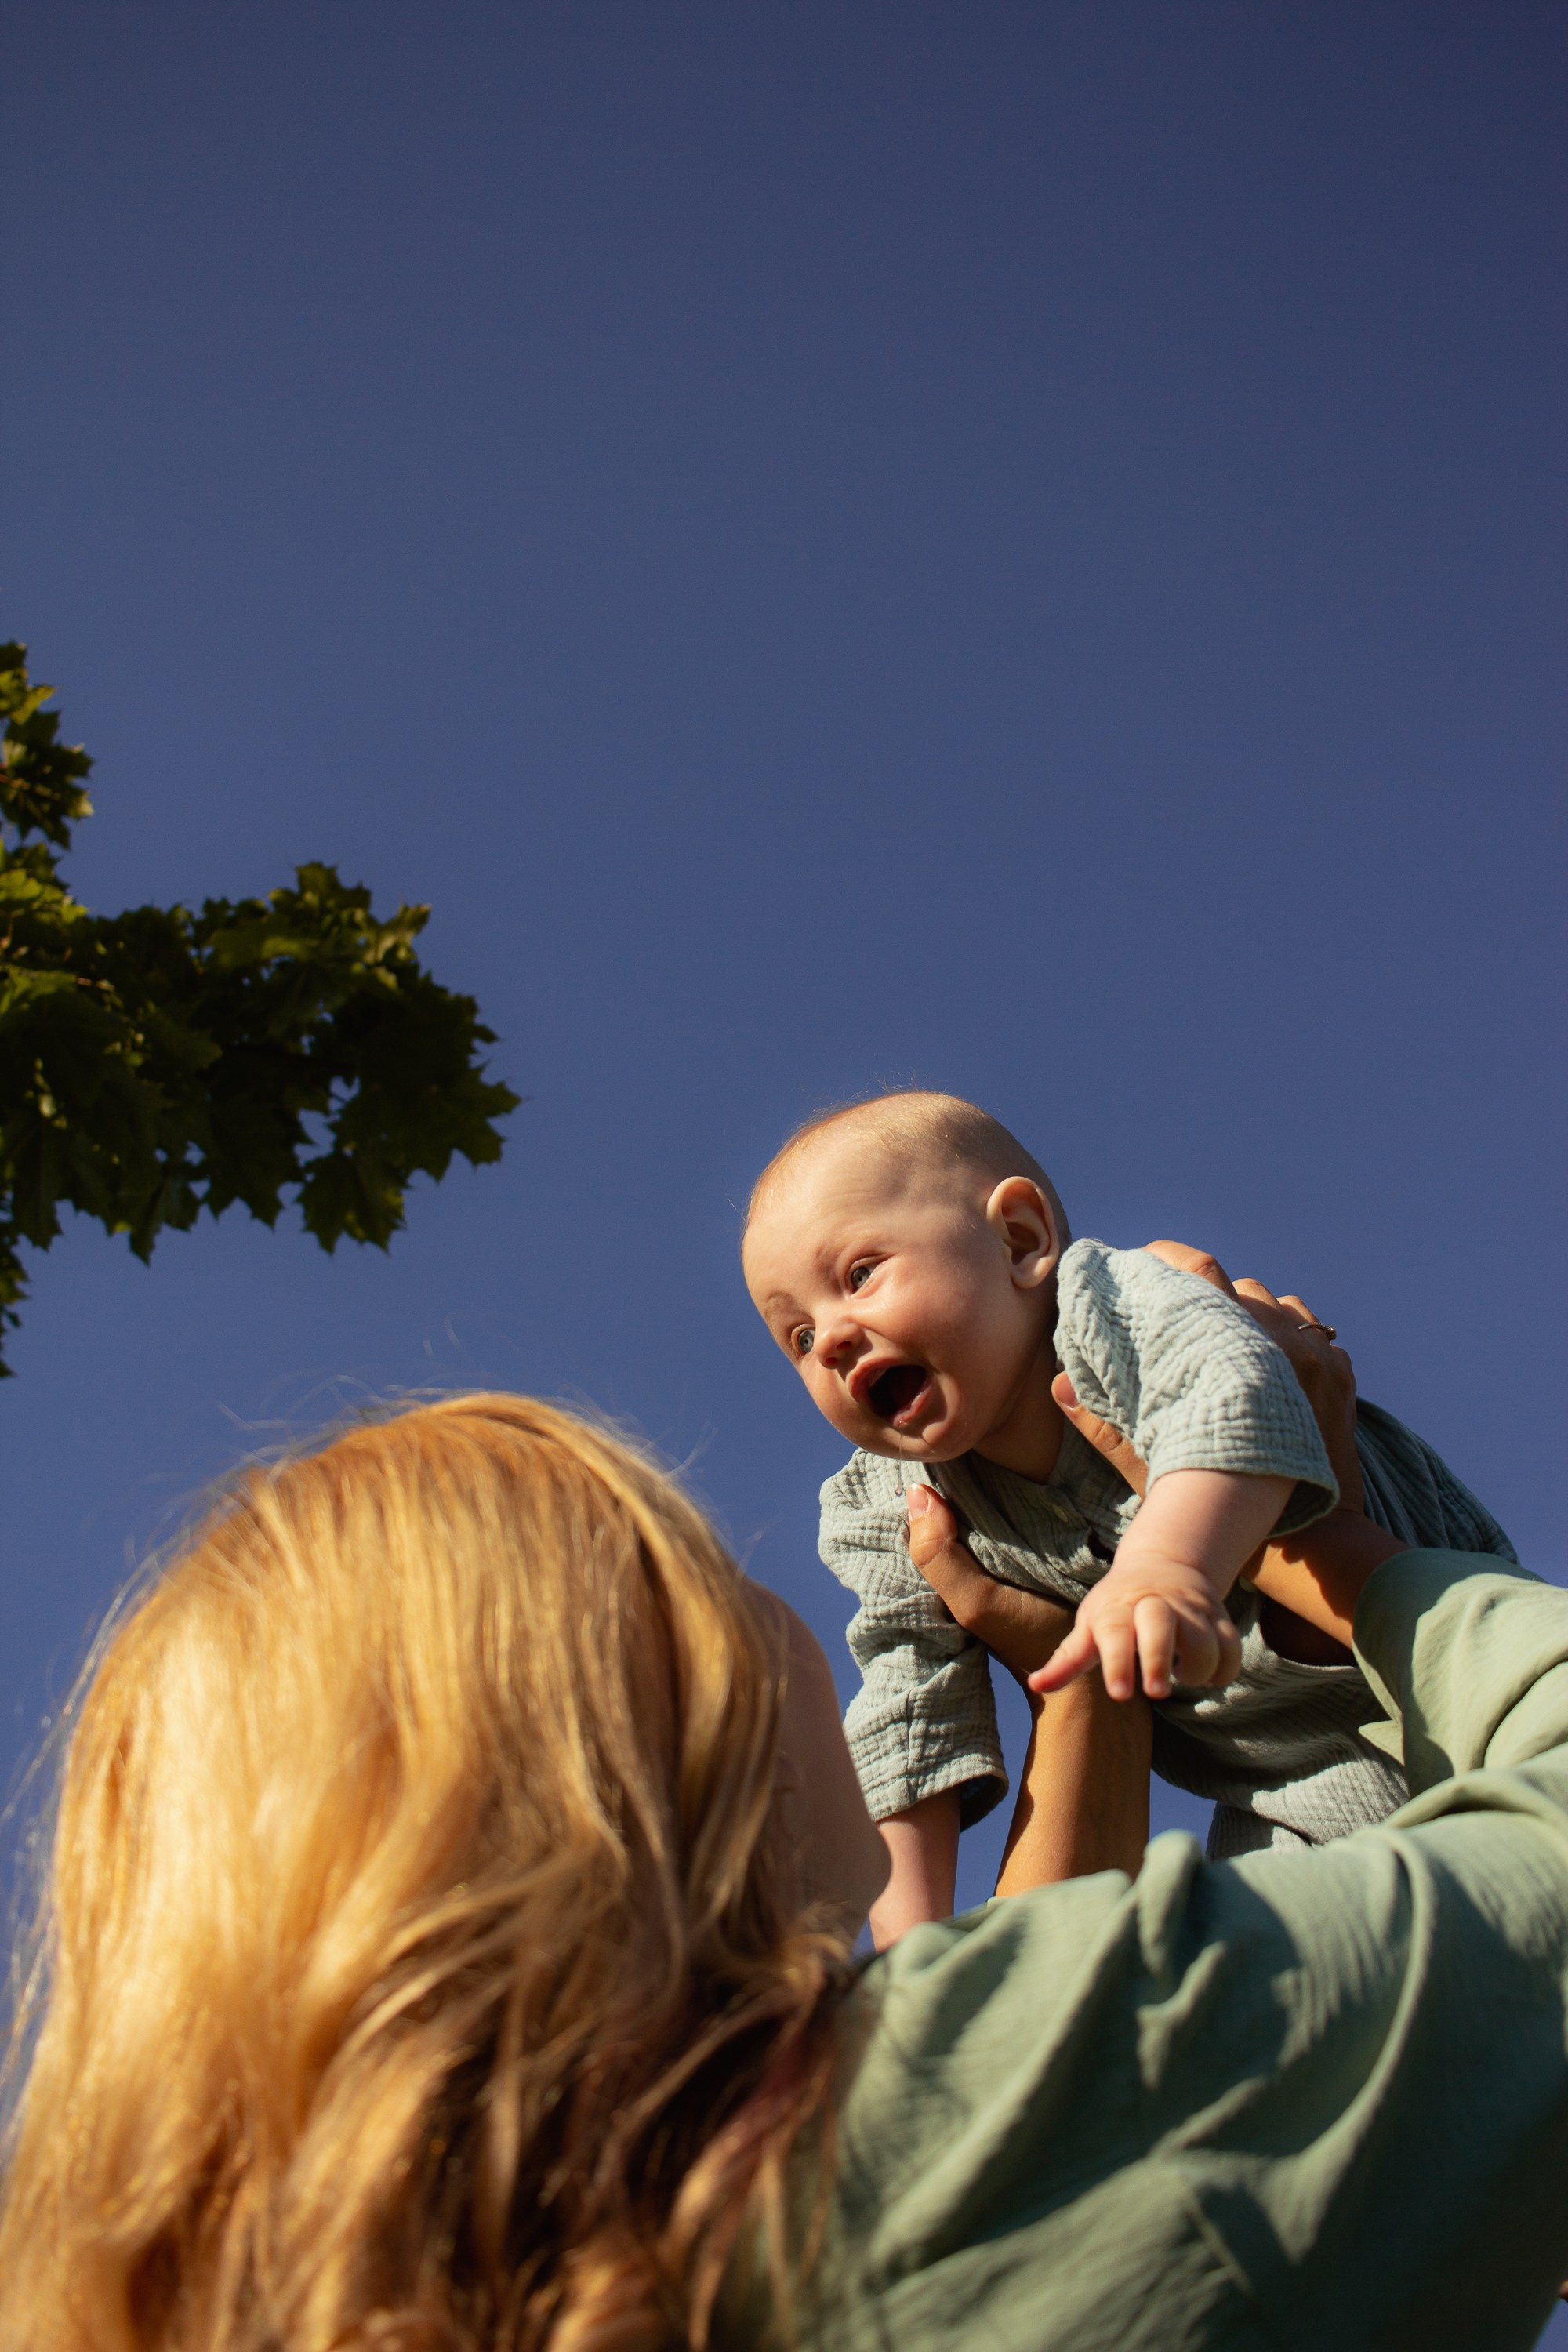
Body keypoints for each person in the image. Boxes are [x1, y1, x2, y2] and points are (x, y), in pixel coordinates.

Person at [5, 1312, 1568, 2351]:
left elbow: (1009, 2003)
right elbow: (1020, 2056)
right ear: (634, 1737)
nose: (783, 1609)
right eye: (711, 1575)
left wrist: (1082, 1674)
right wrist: (1326, 1541)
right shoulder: (944, 2134)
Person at [741, 1090, 1513, 1944]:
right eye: (798, 1337)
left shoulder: (1112, 1305)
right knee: (1254, 1978)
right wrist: (908, 1952)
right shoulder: (887, 1503)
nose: (832, 1337)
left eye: (859, 1276)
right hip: (1280, 1789)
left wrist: (1165, 1565)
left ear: (1019, 1241)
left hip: (1435, 1670)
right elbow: (906, 1702)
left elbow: (1235, 1392)